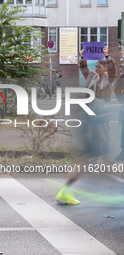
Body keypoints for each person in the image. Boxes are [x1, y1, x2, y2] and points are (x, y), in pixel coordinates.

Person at [55, 46, 117, 205]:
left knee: (100, 156)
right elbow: (83, 68)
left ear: (105, 68)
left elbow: (113, 68)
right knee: (100, 157)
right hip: (92, 121)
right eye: (96, 65)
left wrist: (107, 55)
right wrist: (81, 57)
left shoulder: (109, 79)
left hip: (100, 121)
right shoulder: (93, 77)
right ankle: (67, 190)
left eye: (99, 65)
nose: (96, 67)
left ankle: (67, 190)